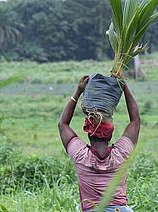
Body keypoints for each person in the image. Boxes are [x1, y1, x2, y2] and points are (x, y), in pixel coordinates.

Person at [58, 75, 140, 212]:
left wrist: (78, 92)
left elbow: (62, 124)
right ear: (111, 134)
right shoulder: (121, 154)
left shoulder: (80, 155)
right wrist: (124, 87)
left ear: (89, 133)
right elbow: (135, 121)